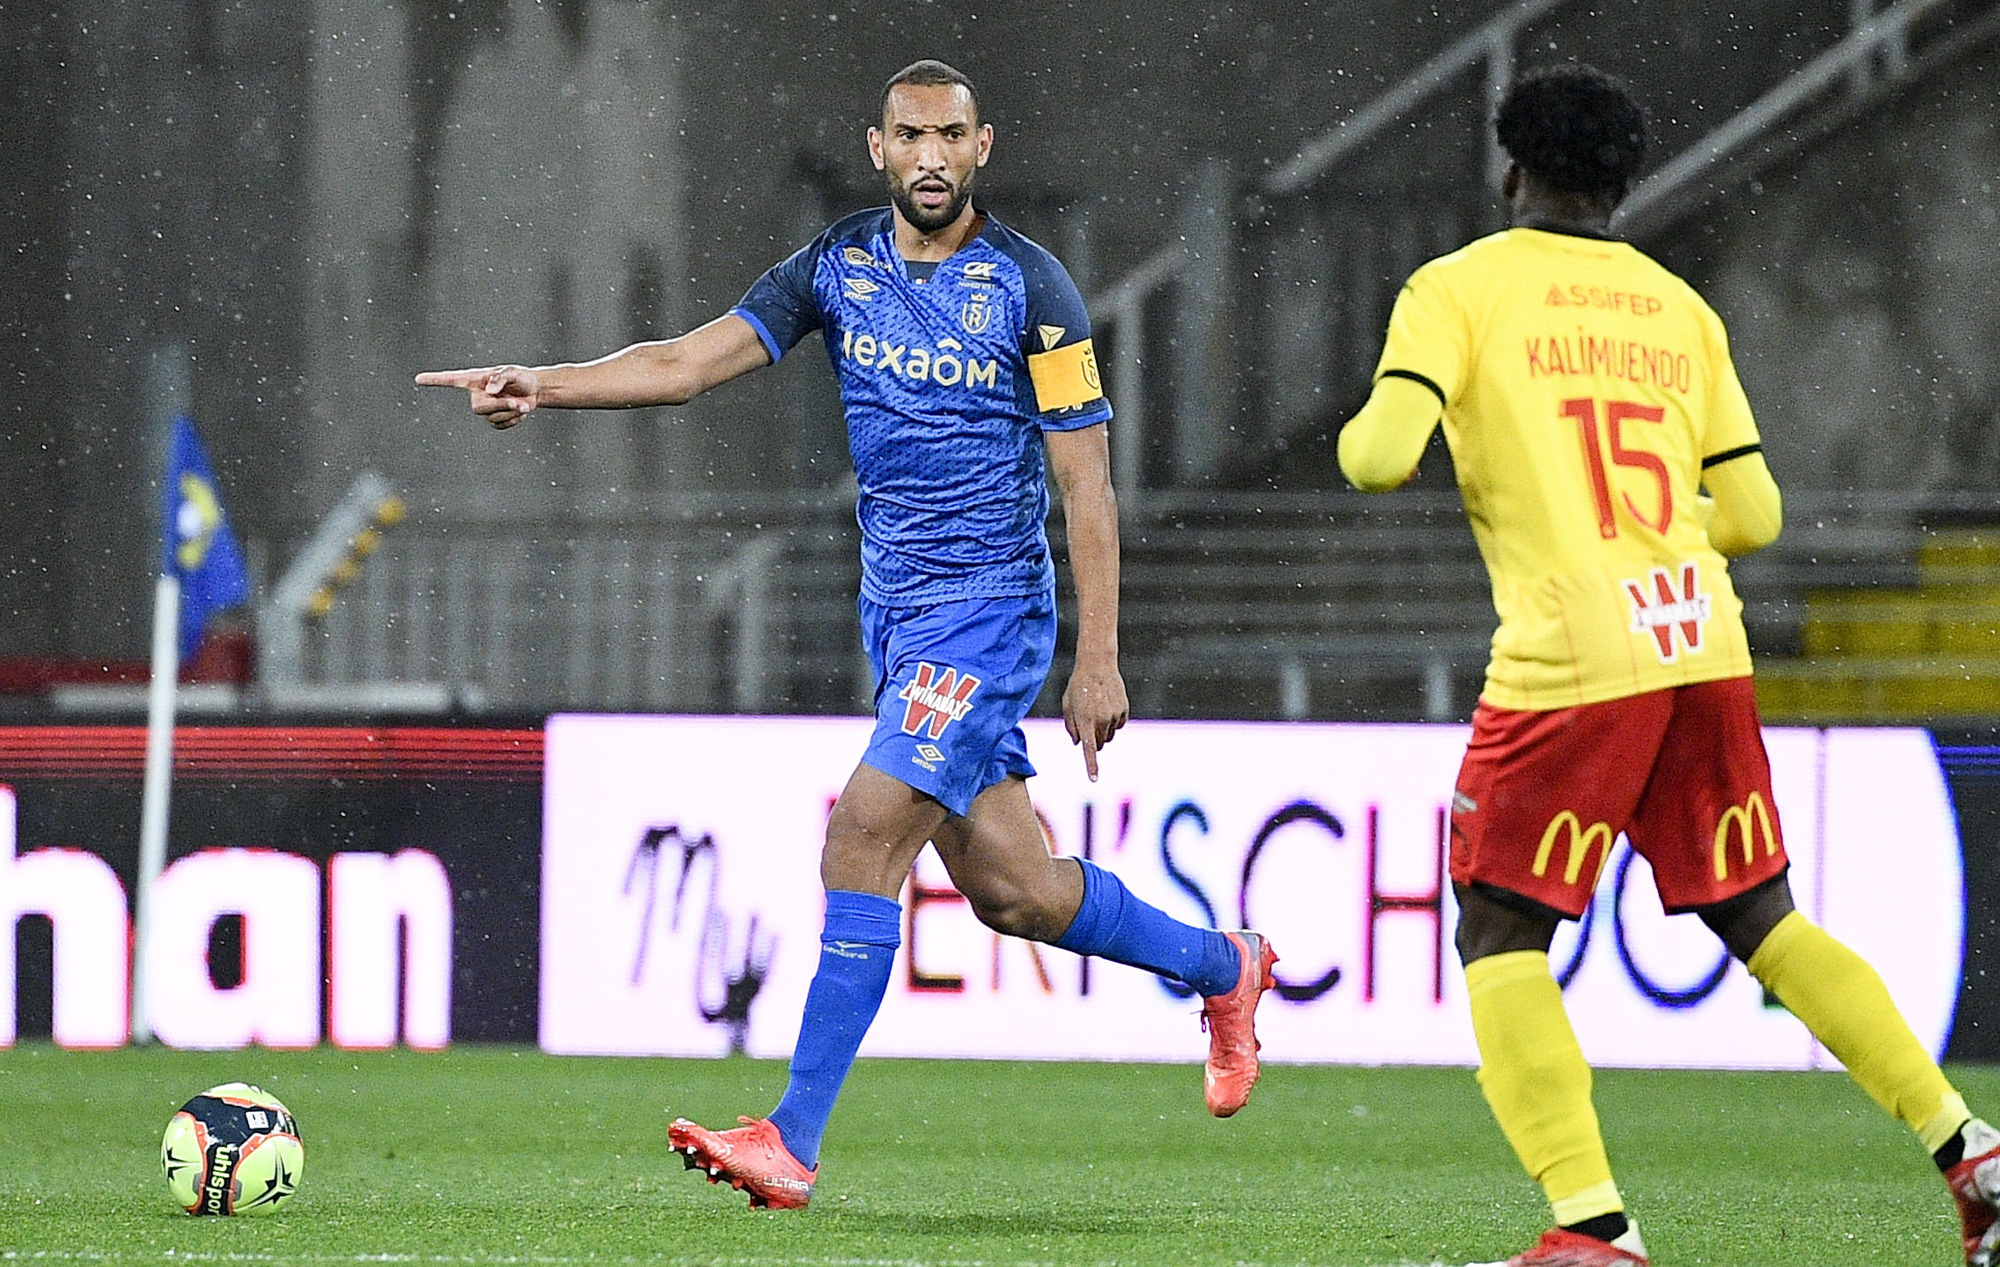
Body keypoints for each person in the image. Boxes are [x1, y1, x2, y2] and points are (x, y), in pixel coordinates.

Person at [417, 58, 1278, 1211]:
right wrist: (547, 384)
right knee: (1016, 891)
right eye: (909, 136)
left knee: (861, 836)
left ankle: (791, 1138)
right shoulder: (834, 267)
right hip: (903, 625)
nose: (930, 156)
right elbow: (683, 363)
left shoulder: (1033, 290)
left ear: (984, 147)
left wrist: (1098, 654)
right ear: (876, 147)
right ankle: (1225, 967)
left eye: (951, 136)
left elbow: (1085, 485)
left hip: (988, 620)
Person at [1337, 63, 2000, 1267]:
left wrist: (1378, 423)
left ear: (1510, 171)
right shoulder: (1675, 307)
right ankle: (1969, 1149)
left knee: (1498, 930)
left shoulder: (1457, 288)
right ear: (1620, 185)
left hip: (1571, 654)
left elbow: (1379, 458)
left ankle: (1591, 1227)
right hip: (1698, 635)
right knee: (1762, 915)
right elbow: (1750, 512)